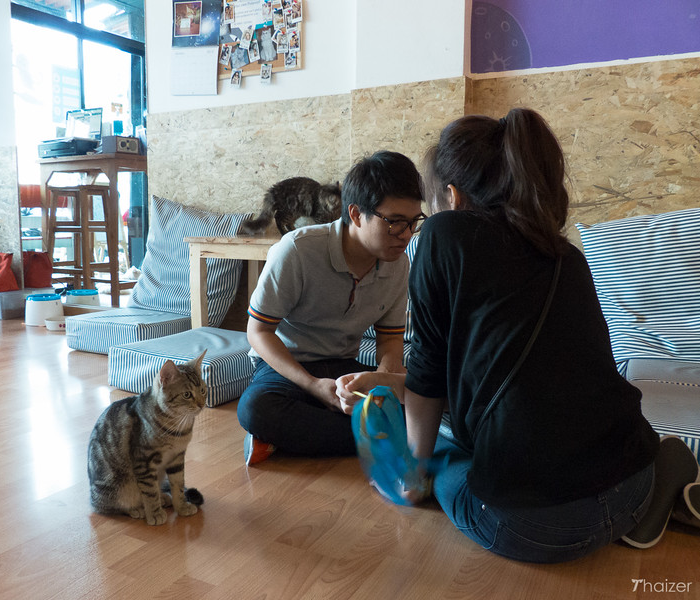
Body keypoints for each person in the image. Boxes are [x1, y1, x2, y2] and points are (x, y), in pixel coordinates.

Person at [337, 108, 700, 563]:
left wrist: (413, 479)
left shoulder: (446, 234)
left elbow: (430, 372)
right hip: (631, 483)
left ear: (452, 195)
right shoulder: (564, 254)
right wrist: (394, 383)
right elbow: (522, 376)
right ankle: (657, 491)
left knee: (445, 452)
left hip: (531, 529)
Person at [237, 151, 426, 465]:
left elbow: (390, 340)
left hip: (342, 365)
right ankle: (376, 435)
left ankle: (287, 437)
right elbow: (258, 332)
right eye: (394, 222)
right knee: (256, 409)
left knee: (423, 399)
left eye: (413, 222)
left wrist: (383, 379)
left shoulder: (398, 264)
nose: (406, 235)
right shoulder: (297, 251)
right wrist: (313, 386)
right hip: (288, 368)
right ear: (355, 214)